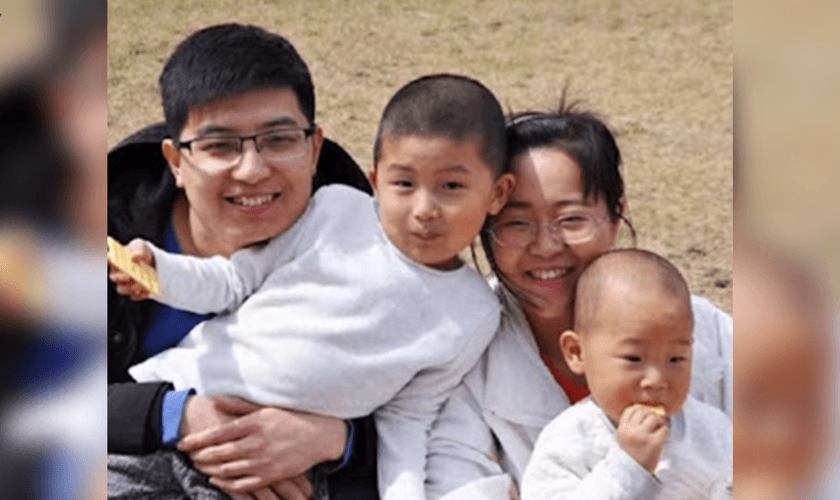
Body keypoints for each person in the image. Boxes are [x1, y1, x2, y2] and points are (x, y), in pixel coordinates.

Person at [111, 73, 515, 500]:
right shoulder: (336, 211)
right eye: (404, 184)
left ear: (497, 193)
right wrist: (158, 272)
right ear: (376, 181)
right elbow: (232, 281)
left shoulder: (475, 314)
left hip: (283, 473)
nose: (424, 209)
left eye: (451, 186)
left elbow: (409, 419)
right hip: (167, 422)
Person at [107, 24, 378, 500]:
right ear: (175, 160)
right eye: (220, 145)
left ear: (314, 148)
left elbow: (429, 398)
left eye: (278, 139)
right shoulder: (98, 231)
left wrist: (337, 437)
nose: (253, 170)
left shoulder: (368, 242)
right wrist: (179, 416)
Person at [424, 104, 733, 500]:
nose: (546, 245)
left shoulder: (705, 330)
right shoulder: (462, 355)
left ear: (616, 215)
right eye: (518, 223)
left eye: (571, 220)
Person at [520, 249, 732, 499]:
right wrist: (628, 466)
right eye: (633, 359)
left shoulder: (712, 429)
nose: (656, 380)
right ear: (577, 352)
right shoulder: (569, 440)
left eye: (676, 359)